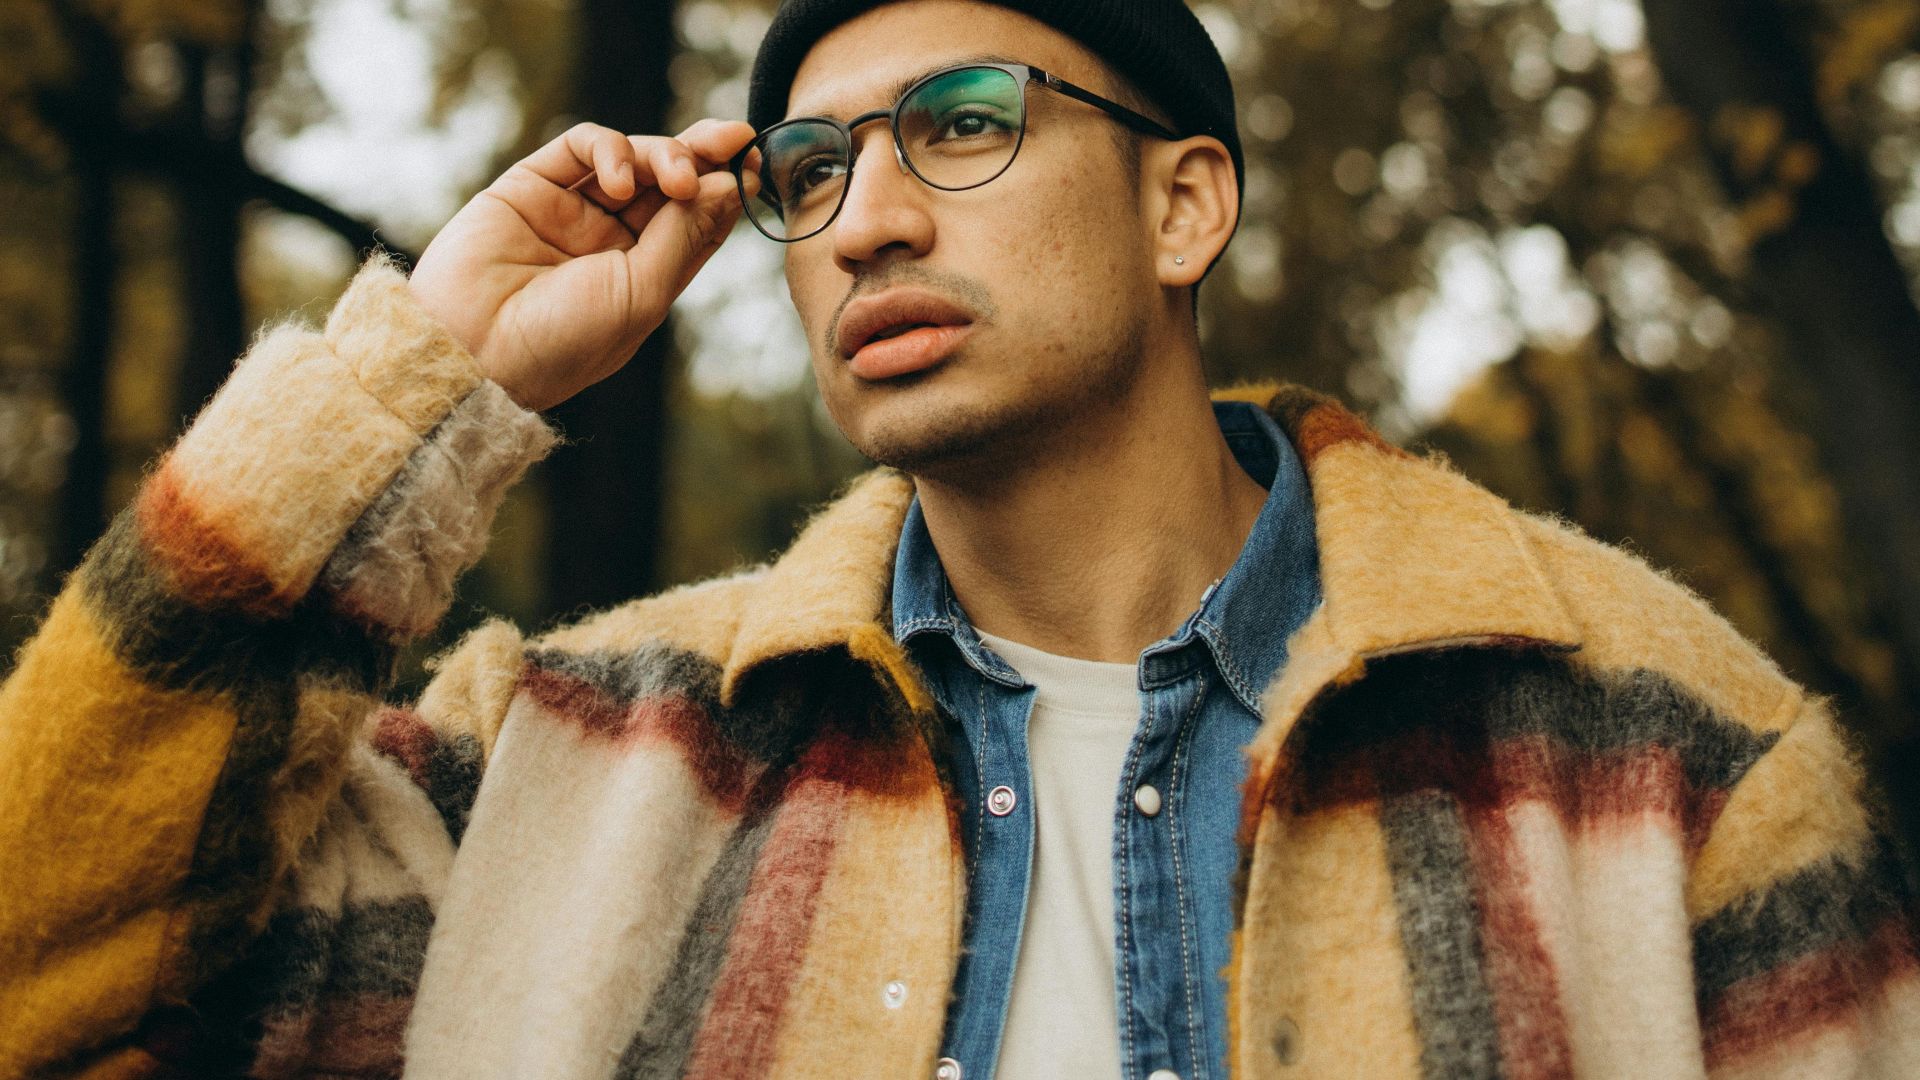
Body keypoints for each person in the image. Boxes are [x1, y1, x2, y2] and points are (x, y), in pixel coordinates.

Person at [2, 0, 1916, 1076]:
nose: (863, 224)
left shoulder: (1671, 767)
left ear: (1186, 209)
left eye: (967, 126)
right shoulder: (555, 768)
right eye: (815, 173)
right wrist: (423, 376)